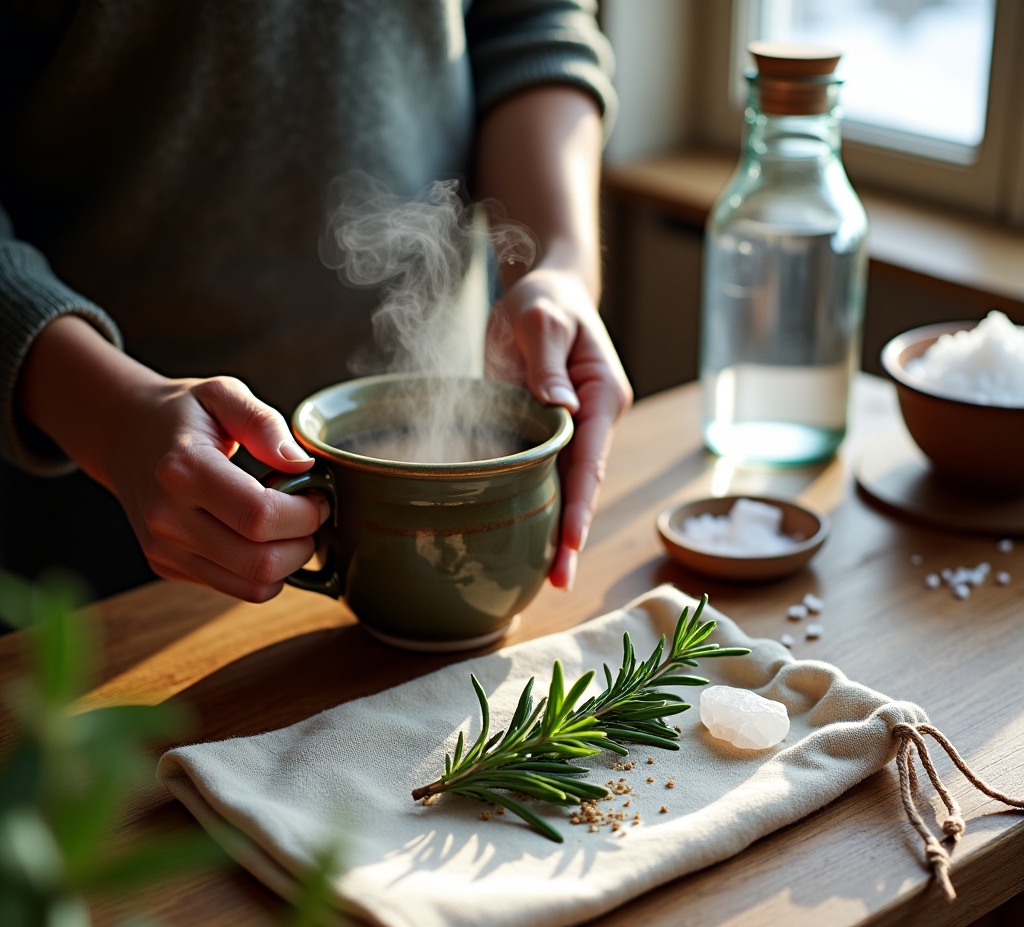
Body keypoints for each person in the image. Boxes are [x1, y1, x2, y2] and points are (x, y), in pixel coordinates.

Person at [0, 0, 631, 603]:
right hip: (93, 514)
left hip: (456, 395)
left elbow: (526, 22)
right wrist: (117, 423)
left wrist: (559, 269)